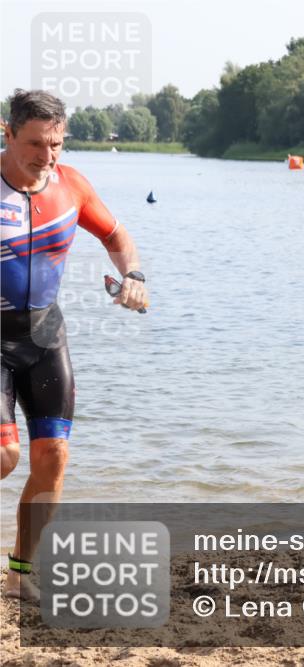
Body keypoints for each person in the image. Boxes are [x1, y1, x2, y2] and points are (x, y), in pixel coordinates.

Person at [1, 89, 149, 599]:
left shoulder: (71, 186)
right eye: (36, 144)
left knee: (54, 456)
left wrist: (133, 274)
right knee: (5, 456)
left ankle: (19, 573)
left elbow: (117, 236)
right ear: (8, 133)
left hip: (44, 335)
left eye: (56, 145)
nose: (46, 157)